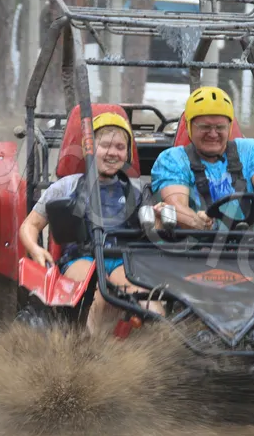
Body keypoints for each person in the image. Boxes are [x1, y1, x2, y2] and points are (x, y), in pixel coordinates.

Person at [150, 86, 254, 320]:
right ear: (190, 127)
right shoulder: (172, 159)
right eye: (205, 127)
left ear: (230, 126)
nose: (213, 134)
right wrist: (196, 221)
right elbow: (176, 205)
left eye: (220, 127)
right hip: (199, 254)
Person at [18, 112, 164, 334]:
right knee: (98, 296)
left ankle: (156, 347)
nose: (112, 152)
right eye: (105, 145)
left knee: (148, 303)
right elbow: (30, 225)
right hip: (82, 257)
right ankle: (91, 348)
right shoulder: (66, 186)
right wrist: (36, 249)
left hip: (123, 260)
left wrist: (158, 222)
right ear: (89, 149)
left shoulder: (138, 189)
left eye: (120, 147)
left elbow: (154, 236)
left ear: (127, 153)